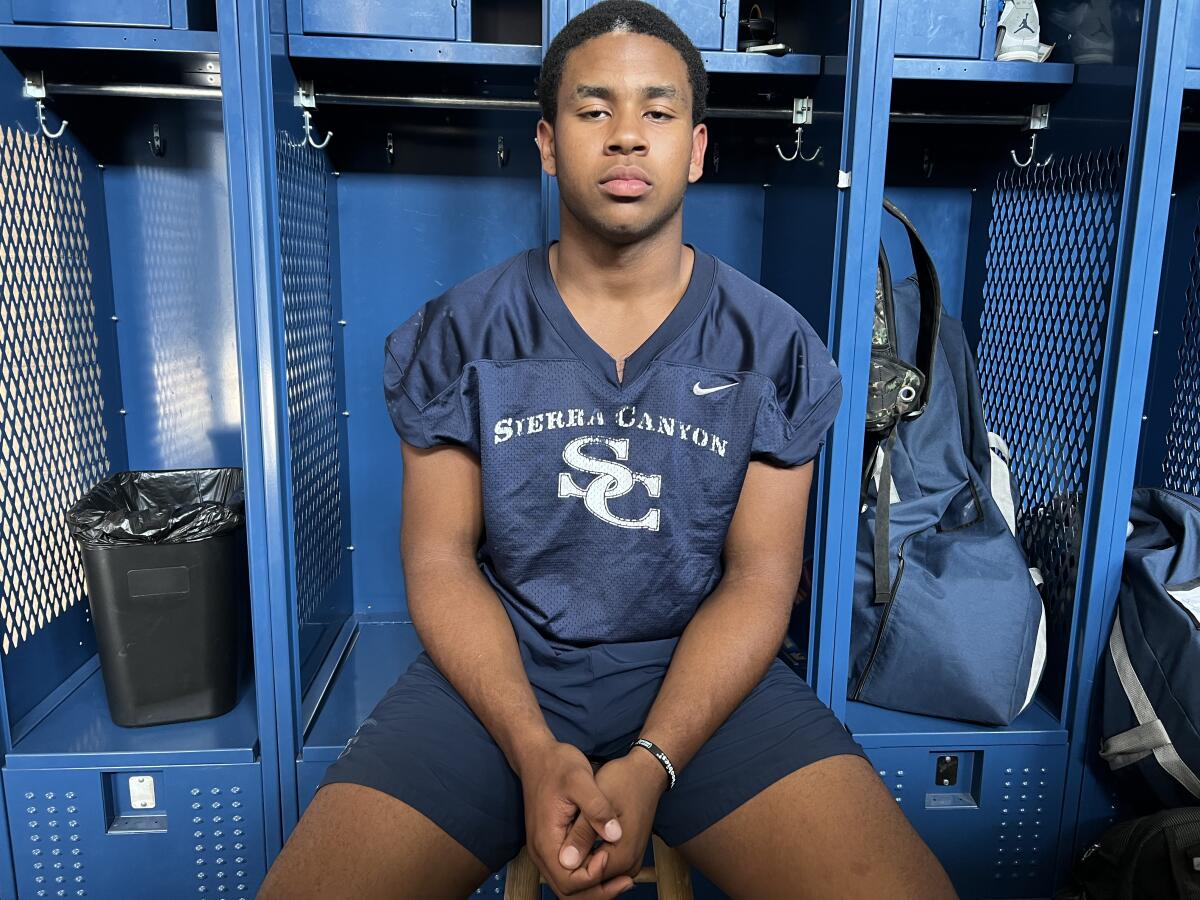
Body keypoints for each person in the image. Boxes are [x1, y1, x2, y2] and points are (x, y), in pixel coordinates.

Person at [258, 2, 957, 898]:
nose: (627, 137)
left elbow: (758, 583)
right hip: (502, 674)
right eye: (595, 112)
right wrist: (530, 747)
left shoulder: (773, 346)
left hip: (696, 673)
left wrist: (654, 761)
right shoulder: (463, 333)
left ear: (697, 150)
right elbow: (437, 559)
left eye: (657, 113)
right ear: (548, 144)